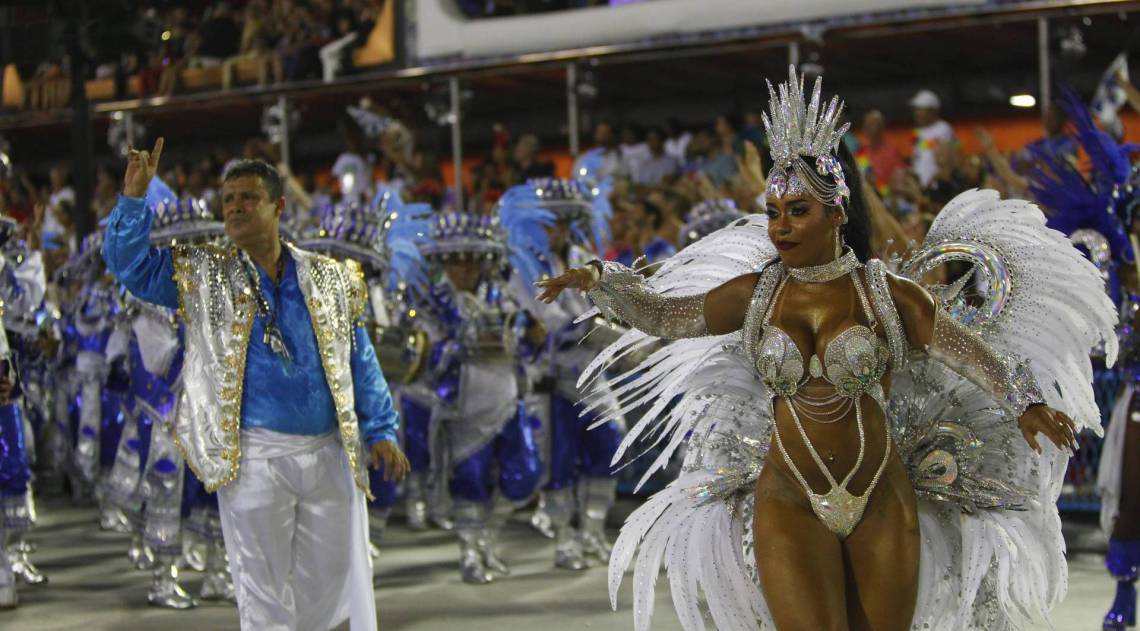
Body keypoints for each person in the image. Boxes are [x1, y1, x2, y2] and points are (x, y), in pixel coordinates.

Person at [536, 66, 1114, 630]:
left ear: (836, 212)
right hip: (788, 495)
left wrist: (1025, 402)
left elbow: (970, 353)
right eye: (773, 213)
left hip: (880, 493)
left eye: (798, 211)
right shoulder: (755, 294)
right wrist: (602, 279)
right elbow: (665, 315)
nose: (780, 227)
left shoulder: (885, 294)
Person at [103, 139, 409, 631]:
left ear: (278, 206)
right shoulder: (204, 273)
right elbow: (131, 267)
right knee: (260, 587)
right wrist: (133, 200)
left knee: (328, 586)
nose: (236, 207)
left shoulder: (329, 277)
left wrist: (382, 430)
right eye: (228, 200)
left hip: (330, 452)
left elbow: (360, 359)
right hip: (254, 456)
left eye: (248, 197)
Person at [908, 88, 955, 187]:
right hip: (920, 186)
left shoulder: (943, 128)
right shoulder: (916, 132)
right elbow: (915, 157)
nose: (916, 113)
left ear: (932, 111)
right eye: (915, 110)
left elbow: (946, 158)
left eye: (920, 110)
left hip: (938, 185)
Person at [855, 110, 906, 197]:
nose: (872, 128)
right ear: (864, 129)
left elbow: (899, 180)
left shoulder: (892, 151)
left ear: (882, 128)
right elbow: (860, 179)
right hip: (870, 198)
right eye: (868, 125)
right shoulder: (861, 152)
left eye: (874, 124)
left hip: (891, 198)